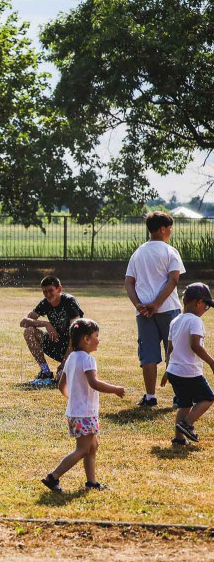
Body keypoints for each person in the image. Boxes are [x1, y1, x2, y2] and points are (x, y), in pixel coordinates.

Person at [42, 318, 125, 493]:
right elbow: (94, 383)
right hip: (85, 414)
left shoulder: (71, 357)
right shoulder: (87, 359)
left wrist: (73, 400)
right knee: (82, 449)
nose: (98, 339)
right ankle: (53, 476)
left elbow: (61, 385)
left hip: (76, 412)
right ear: (86, 339)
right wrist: (115, 389)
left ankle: (92, 482)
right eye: (96, 335)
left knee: (93, 446)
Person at [125, 211, 185, 407]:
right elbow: (174, 279)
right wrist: (157, 304)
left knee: (148, 354)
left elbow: (129, 283)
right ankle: (179, 396)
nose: (170, 232)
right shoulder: (169, 251)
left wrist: (139, 305)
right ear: (162, 229)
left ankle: (150, 397)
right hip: (168, 309)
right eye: (169, 228)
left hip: (143, 313)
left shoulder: (138, 252)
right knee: (174, 352)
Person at [160, 282, 214, 446]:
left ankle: (179, 439)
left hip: (176, 372)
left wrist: (167, 369)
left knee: (184, 405)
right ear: (198, 302)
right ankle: (187, 424)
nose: (206, 310)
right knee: (208, 398)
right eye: (206, 306)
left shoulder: (175, 320)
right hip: (190, 372)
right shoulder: (195, 321)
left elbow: (170, 348)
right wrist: (212, 362)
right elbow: (195, 346)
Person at [20, 275, 84, 382]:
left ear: (59, 289)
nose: (48, 295)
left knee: (60, 380)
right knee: (28, 331)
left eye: (50, 290)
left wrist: (64, 364)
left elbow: (75, 336)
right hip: (56, 343)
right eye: (44, 291)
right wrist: (46, 324)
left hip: (73, 349)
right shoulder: (45, 303)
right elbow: (24, 322)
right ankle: (45, 372)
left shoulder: (69, 302)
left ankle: (65, 369)